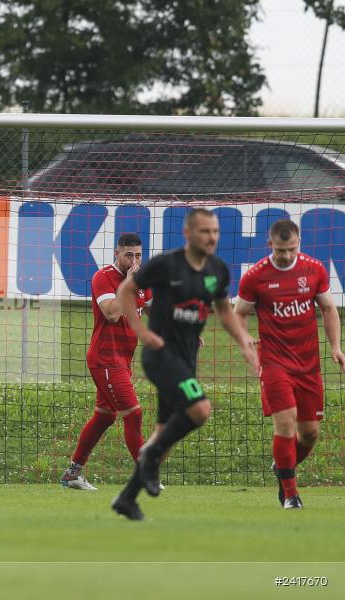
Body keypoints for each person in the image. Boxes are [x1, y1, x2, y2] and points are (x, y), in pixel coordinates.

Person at [110, 208, 259, 520]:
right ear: (188, 234)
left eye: (215, 232)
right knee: (200, 409)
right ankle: (148, 457)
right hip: (160, 354)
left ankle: (127, 498)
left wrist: (244, 339)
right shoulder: (167, 264)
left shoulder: (218, 270)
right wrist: (141, 332)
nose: (212, 237)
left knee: (164, 436)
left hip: (186, 359)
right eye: (205, 232)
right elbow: (126, 291)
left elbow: (224, 310)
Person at [234, 219, 345, 509]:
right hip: (273, 362)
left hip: (308, 365)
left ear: (299, 244)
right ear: (270, 244)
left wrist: (335, 346)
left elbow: (328, 308)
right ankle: (291, 494)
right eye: (281, 250)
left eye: (292, 249)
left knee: (309, 433)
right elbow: (239, 314)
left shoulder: (313, 269)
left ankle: (283, 467)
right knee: (285, 422)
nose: (286, 255)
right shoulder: (255, 276)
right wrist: (246, 342)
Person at [61, 233, 151, 491]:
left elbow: (157, 310)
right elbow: (111, 313)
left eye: (138, 255)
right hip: (105, 358)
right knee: (133, 414)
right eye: (128, 255)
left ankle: (72, 473)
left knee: (104, 417)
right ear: (116, 253)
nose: (134, 260)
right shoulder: (103, 277)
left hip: (123, 360)